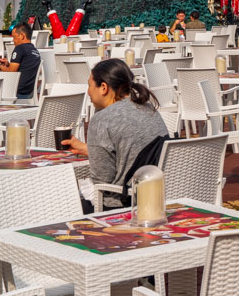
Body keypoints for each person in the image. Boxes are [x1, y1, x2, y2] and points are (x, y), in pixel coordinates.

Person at [62, 59, 170, 210]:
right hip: (157, 195)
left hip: (122, 204)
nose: (88, 91)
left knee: (63, 202)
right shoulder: (147, 107)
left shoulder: (102, 120)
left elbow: (102, 181)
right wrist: (88, 149)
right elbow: (133, 151)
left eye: (89, 85)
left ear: (103, 88)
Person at [0, 22, 42, 100]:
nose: (13, 40)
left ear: (22, 36)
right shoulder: (34, 50)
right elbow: (24, 68)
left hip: (17, 92)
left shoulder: (20, 48)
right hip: (29, 92)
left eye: (14, 37)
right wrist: (7, 64)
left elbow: (11, 73)